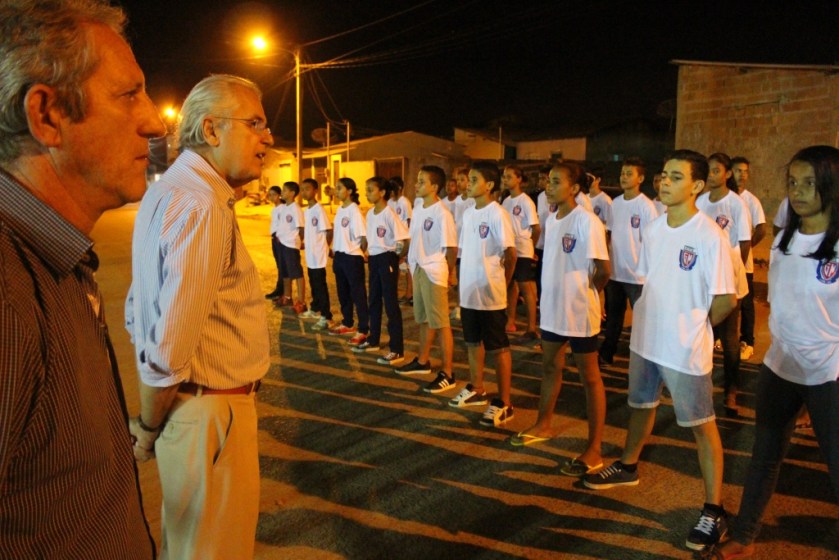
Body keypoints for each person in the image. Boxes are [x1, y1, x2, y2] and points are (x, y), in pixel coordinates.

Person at [0, 1, 164, 557]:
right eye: (128, 95)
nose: (155, 121)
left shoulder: (53, 258)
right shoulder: (7, 290)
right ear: (47, 116)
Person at [125, 74, 272, 559]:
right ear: (211, 130)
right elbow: (169, 346)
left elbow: (135, 307)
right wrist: (148, 425)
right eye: (255, 124)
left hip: (192, 414)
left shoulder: (170, 191)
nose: (267, 139)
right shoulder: (202, 204)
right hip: (212, 412)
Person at [584, 150, 736, 553]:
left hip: (685, 349)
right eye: (663, 175)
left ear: (697, 187)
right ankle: (628, 466)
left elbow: (725, 300)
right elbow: (651, 282)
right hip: (646, 341)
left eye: (674, 177)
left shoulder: (709, 236)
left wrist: (693, 328)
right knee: (641, 406)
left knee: (702, 425)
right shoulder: (653, 229)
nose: (663, 182)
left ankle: (713, 509)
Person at [710, 145, 839, 560]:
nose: (798, 192)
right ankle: (745, 535)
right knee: (764, 457)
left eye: (810, 184)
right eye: (793, 182)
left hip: (828, 373)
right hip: (780, 367)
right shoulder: (785, 234)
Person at [511, 163, 610, 478]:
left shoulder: (587, 221)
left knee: (589, 379)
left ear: (574, 188)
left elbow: (603, 270)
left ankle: (594, 448)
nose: (548, 187)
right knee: (550, 367)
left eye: (555, 182)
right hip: (553, 311)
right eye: (546, 181)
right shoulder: (552, 219)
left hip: (580, 313)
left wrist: (587, 295)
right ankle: (544, 424)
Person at [449, 161, 518, 427]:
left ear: (489, 185)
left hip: (491, 294)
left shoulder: (497, 213)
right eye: (468, 179)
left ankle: (504, 402)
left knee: (498, 348)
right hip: (469, 293)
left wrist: (503, 282)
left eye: (473, 179)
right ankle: (477, 388)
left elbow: (510, 254)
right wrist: (459, 282)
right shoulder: (468, 213)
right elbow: (465, 252)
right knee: (472, 342)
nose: (468, 183)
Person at [696, 152, 751, 417]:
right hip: (705, 281)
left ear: (727, 174)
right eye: (708, 170)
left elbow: (744, 243)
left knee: (730, 341)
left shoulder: (737, 204)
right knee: (703, 336)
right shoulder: (700, 201)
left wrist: (731, 274)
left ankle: (731, 391)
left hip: (729, 283)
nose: (711, 175)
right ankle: (700, 389)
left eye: (716, 170)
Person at [395, 166, 458, 395]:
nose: (416, 185)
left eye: (421, 182)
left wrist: (450, 273)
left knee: (442, 324)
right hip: (418, 268)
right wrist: (405, 253)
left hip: (434, 271)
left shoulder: (443, 214)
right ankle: (423, 362)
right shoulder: (420, 206)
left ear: (435, 187)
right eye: (417, 181)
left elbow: (451, 248)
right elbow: (414, 237)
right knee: (423, 319)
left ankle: (448, 373)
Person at [599, 157, 659, 365]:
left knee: (642, 319)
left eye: (629, 174)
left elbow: (652, 241)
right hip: (616, 272)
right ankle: (607, 352)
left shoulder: (646, 206)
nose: (624, 177)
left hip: (637, 275)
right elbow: (609, 234)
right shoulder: (615, 204)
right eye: (622, 173)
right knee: (614, 317)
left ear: (640, 178)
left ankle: (643, 358)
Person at [355, 176, 409, 365]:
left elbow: (405, 238)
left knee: (391, 303)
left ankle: (397, 349)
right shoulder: (370, 214)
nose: (367, 193)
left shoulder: (389, 214)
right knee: (374, 300)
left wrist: (399, 257)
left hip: (387, 258)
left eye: (371, 190)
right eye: (366, 189)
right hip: (375, 259)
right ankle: (373, 339)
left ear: (382, 192)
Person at [731, 156, 767, 361]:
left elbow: (762, 228)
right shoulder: (723, 198)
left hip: (744, 264)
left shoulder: (751, 201)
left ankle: (748, 341)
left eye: (745, 171)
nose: (742, 175)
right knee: (726, 301)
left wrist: (748, 246)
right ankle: (721, 336)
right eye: (738, 170)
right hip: (724, 263)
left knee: (745, 303)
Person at [501, 165, 541, 340]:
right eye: (504, 176)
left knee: (526, 287)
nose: (505, 179)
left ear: (519, 179)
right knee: (510, 285)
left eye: (509, 176)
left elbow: (536, 228)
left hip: (523, 249)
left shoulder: (526, 201)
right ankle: (510, 321)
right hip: (509, 249)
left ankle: (531, 327)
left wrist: (530, 246)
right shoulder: (506, 201)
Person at [329, 177, 369, 345]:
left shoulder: (355, 211)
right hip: (339, 256)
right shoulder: (340, 209)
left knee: (358, 294)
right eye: (336, 188)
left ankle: (364, 329)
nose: (336, 191)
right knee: (343, 293)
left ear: (350, 191)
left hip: (352, 258)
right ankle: (347, 323)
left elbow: (363, 238)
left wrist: (358, 253)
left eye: (340, 188)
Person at [300, 178, 334, 328]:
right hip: (310, 253)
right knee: (313, 282)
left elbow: (329, 230)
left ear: (315, 191)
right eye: (302, 189)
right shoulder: (305, 211)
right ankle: (315, 308)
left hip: (318, 254)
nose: (304, 192)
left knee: (320, 284)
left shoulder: (319, 210)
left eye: (307, 189)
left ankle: (326, 316)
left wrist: (324, 248)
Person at [276, 181, 307, 313]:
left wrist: (300, 241)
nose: (282, 192)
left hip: (291, 245)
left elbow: (301, 228)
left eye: (284, 190)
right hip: (282, 244)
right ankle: (287, 297)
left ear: (292, 193)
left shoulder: (296, 209)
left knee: (296, 273)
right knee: (285, 272)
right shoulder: (284, 208)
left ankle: (301, 301)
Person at [388, 176, 414, 304]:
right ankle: (394, 292)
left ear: (399, 189)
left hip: (403, 239)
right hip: (393, 239)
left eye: (392, 190)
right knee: (395, 266)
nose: (390, 193)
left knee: (407, 266)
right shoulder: (389, 202)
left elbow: (409, 221)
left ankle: (409, 293)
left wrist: (406, 241)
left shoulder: (404, 202)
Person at [265, 185, 286, 300]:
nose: (271, 197)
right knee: (279, 265)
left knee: (282, 266)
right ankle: (280, 290)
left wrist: (279, 236)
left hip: (280, 239)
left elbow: (283, 224)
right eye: (270, 195)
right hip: (274, 238)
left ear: (279, 195)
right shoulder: (274, 209)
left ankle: (281, 291)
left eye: (274, 194)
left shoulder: (283, 208)